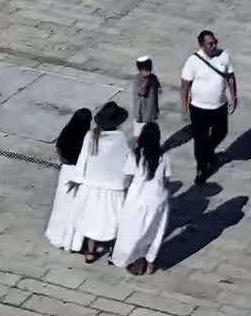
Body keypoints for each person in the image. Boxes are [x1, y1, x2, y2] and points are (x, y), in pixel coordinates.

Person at [74, 102, 132, 263]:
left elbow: (82, 160)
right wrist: (127, 182)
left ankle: (90, 252)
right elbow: (127, 163)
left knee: (92, 219)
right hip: (113, 187)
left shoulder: (90, 136)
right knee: (115, 220)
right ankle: (113, 251)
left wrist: (79, 180)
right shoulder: (121, 139)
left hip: (92, 186)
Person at [111, 122, 169, 275]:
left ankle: (131, 258)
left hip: (138, 198)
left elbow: (128, 176)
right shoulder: (164, 155)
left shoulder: (135, 155)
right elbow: (166, 178)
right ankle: (149, 264)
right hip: (158, 199)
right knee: (154, 233)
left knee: (132, 231)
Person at [179, 30, 236, 186]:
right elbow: (185, 86)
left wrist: (233, 96)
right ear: (202, 45)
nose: (214, 45)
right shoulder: (193, 61)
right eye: (210, 43)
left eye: (215, 41)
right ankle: (201, 168)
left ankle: (208, 152)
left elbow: (230, 77)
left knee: (221, 133)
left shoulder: (224, 56)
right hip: (199, 109)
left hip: (219, 106)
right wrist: (184, 108)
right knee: (200, 139)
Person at [44, 108, 93, 251]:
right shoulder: (88, 137)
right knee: (75, 209)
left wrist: (67, 162)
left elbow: (59, 148)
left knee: (61, 205)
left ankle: (57, 236)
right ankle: (72, 241)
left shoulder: (67, 131)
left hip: (67, 172)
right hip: (81, 174)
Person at [131, 56, 160, 133]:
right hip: (141, 115)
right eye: (146, 70)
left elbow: (157, 89)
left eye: (149, 69)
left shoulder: (153, 77)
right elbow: (141, 92)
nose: (148, 71)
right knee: (139, 134)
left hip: (151, 112)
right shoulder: (137, 79)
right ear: (140, 69)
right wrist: (147, 81)